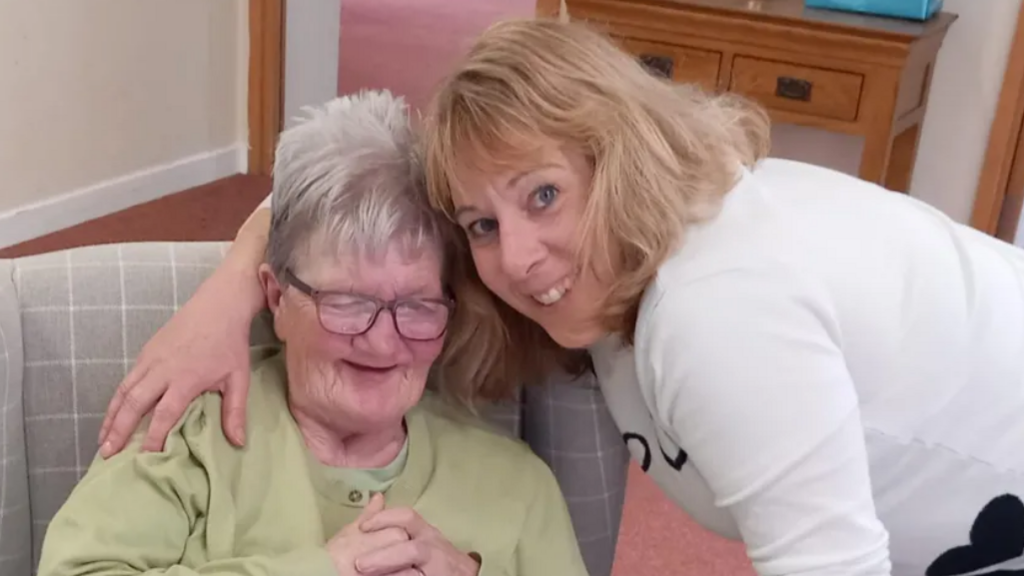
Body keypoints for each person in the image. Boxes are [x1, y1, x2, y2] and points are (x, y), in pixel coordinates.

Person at [95, 17, 1024, 576]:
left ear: (614, 157)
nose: (522, 259)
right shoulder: (607, 266)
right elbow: (362, 190)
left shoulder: (714, 312)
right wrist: (231, 280)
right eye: (483, 227)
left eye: (545, 195)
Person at [38, 90, 589, 576]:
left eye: (417, 307)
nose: (381, 342)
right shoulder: (191, 432)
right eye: (348, 304)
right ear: (277, 296)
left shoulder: (516, 486)